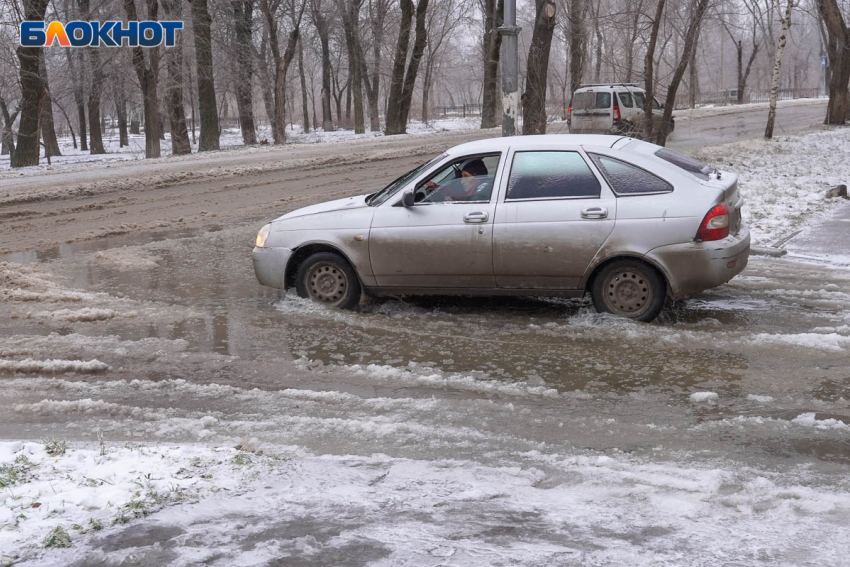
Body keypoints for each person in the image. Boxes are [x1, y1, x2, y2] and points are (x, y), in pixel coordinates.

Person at [421, 159, 490, 202]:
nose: (462, 181)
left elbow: (468, 201)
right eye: (462, 177)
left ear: (477, 178)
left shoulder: (484, 189)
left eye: (466, 176)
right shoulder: (475, 188)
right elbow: (462, 196)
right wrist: (439, 189)